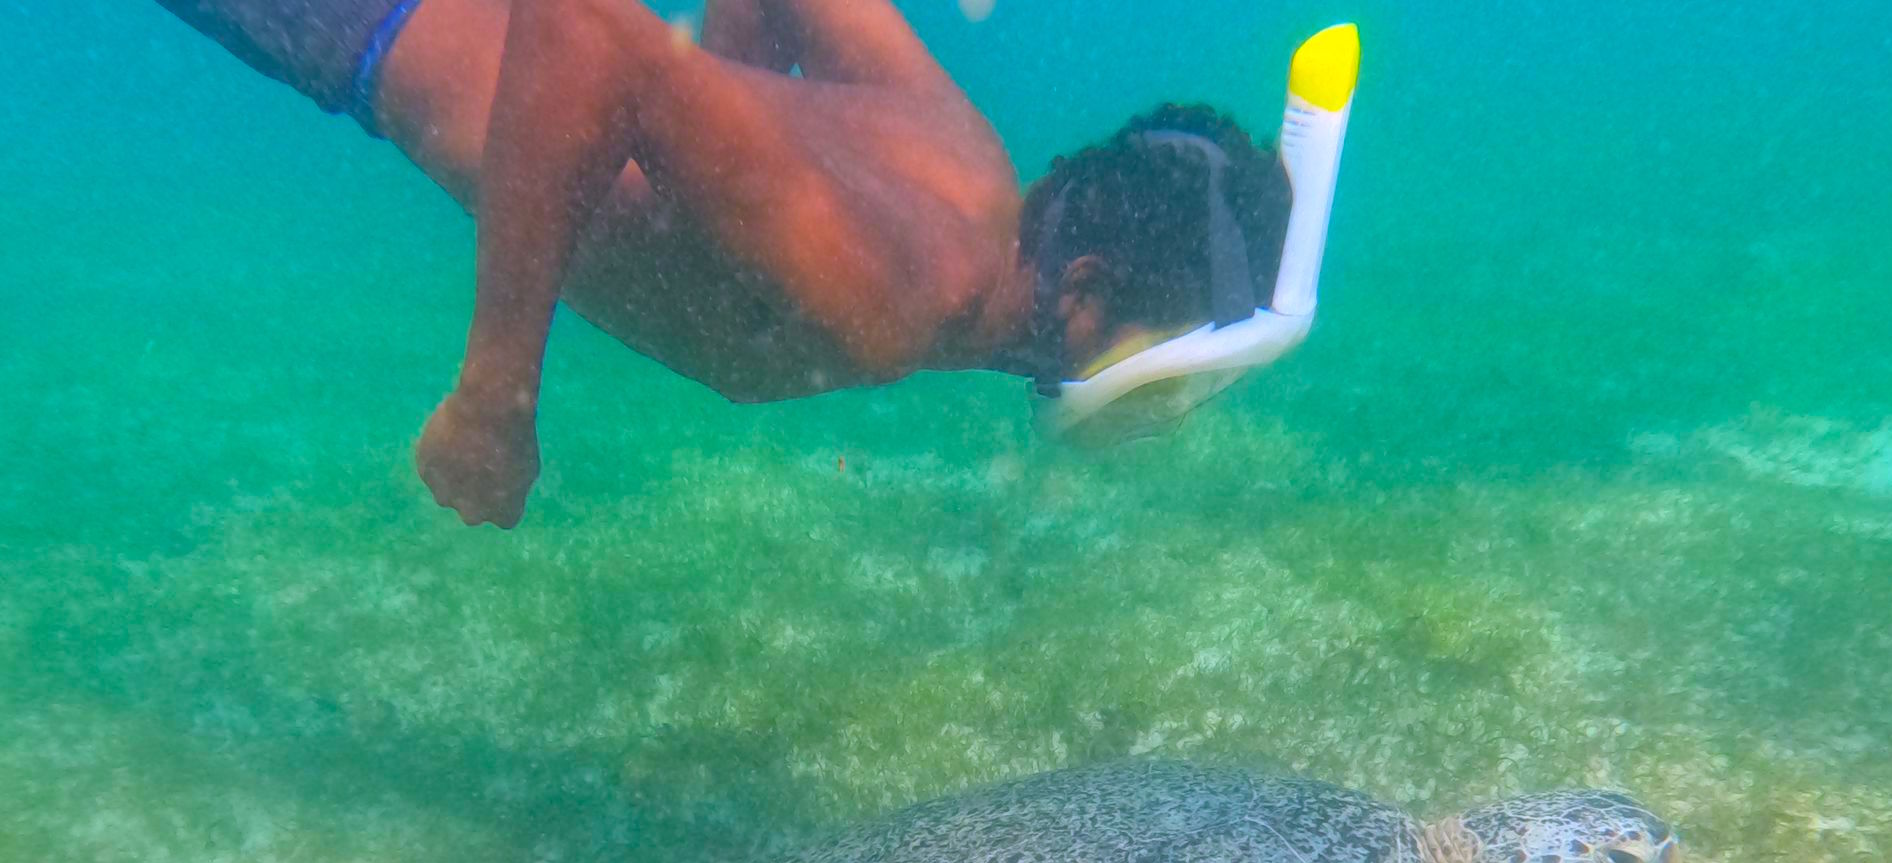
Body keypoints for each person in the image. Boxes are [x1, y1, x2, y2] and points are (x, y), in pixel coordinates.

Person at [151, 0, 1293, 527]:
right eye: (1175, 354)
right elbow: (584, 30)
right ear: (1083, 286)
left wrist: (731, 149)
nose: (1172, 399)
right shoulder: (898, 297)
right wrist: (495, 394)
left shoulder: (968, 164)